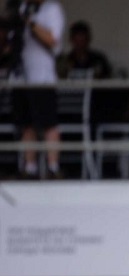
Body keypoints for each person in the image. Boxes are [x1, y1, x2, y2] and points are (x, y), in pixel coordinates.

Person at [12, 0, 65, 179]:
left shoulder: (52, 9)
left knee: (49, 123)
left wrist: (30, 22)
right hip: (21, 77)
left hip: (42, 78)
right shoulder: (22, 8)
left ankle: (53, 166)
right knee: (26, 124)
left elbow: (52, 40)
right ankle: (30, 167)